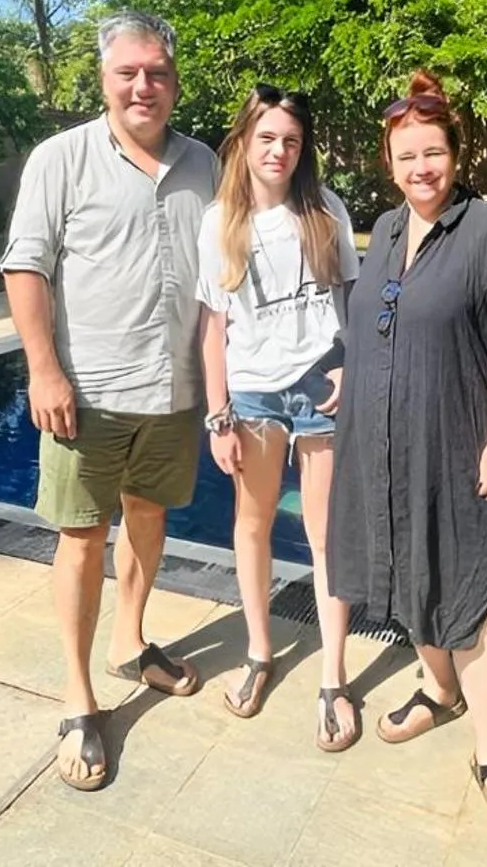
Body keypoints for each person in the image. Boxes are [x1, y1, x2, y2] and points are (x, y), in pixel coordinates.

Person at [0, 11, 218, 793]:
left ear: (174, 81)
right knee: (83, 538)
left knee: (150, 519)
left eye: (156, 72)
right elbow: (25, 267)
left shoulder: (205, 165)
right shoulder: (60, 159)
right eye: (127, 72)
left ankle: (130, 639)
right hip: (86, 394)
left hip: (173, 391)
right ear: (102, 79)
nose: (142, 86)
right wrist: (43, 370)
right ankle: (79, 694)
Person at [326, 70, 487, 842]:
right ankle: (437, 690)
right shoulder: (385, 230)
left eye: (433, 153)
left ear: (456, 154)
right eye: (406, 156)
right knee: (409, 581)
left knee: (472, 602)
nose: (420, 168)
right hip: (380, 443)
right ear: (388, 164)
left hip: (459, 446)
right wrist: (347, 371)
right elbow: (376, 323)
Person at [195, 83, 363, 751]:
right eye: (266, 137)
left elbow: (353, 305)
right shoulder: (219, 223)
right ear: (243, 141)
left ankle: (333, 676)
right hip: (253, 397)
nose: (279, 151)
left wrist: (350, 363)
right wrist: (217, 415)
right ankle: (259, 654)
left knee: (326, 536)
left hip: (318, 384)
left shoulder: (324, 210)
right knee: (253, 524)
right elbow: (212, 328)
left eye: (290, 140)